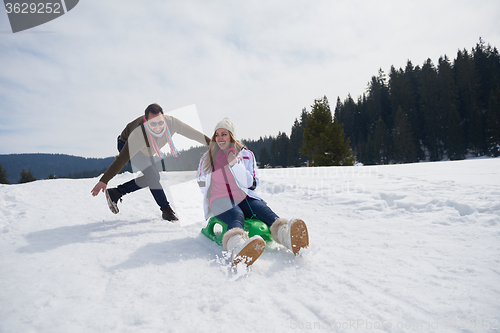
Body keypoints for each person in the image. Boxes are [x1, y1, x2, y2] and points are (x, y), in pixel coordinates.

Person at [196, 118, 309, 266]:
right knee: (236, 214)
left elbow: (252, 183)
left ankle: (287, 237)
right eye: (217, 135)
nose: (219, 138)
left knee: (263, 210)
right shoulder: (208, 157)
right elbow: (200, 180)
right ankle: (237, 248)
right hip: (219, 199)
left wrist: (236, 164)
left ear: (231, 136)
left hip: (243, 197)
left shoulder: (246, 155)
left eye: (223, 134)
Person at [91, 103, 210, 221]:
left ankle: (116, 192)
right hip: (127, 144)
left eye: (160, 122)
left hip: (146, 149)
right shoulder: (138, 135)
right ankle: (166, 210)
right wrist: (104, 180)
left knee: (154, 177)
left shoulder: (172, 123)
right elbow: (121, 160)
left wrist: (212, 144)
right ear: (146, 121)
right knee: (152, 176)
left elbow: (192, 133)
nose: (158, 126)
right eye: (153, 124)